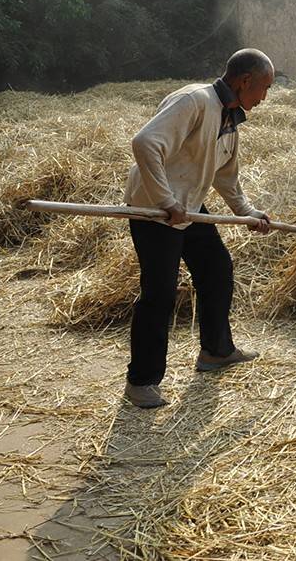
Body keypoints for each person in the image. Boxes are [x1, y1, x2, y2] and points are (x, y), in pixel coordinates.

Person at [121, 49, 275, 408]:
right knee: (160, 293)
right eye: (264, 88)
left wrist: (248, 213)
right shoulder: (195, 100)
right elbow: (145, 143)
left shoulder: (229, 119)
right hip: (153, 210)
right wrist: (164, 200)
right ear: (244, 81)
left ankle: (216, 351)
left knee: (217, 269)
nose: (265, 98)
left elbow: (227, 177)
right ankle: (141, 381)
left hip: (188, 207)